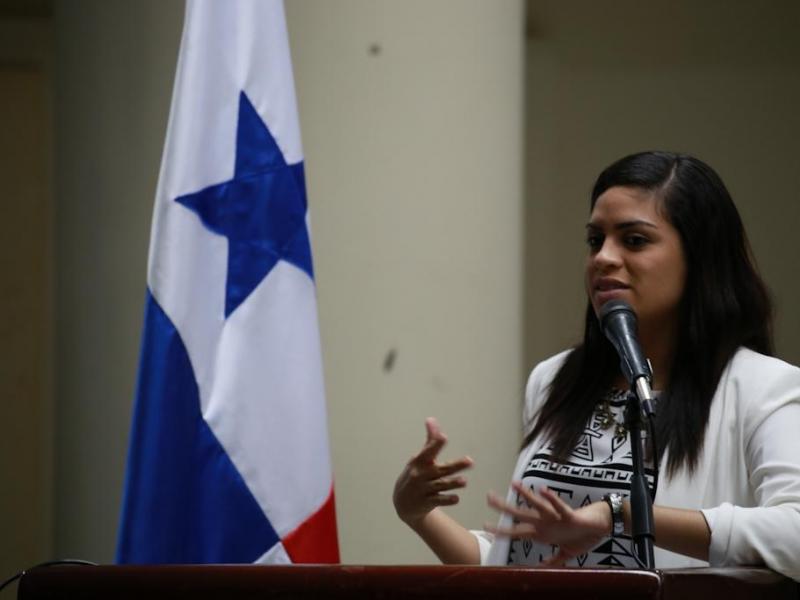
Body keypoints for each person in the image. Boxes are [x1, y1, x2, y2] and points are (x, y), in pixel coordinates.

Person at [392, 151, 800, 580]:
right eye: (594, 240)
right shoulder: (554, 379)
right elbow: (523, 565)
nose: (603, 257)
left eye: (634, 240)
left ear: (699, 258)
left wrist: (621, 515)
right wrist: (419, 515)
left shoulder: (762, 388)